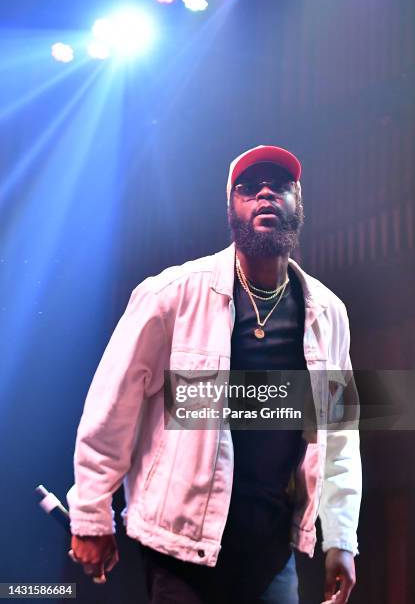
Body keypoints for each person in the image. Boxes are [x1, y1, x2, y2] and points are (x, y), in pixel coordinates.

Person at [67, 145, 362, 604]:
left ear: (297, 204)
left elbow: (340, 437)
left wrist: (340, 540)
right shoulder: (171, 295)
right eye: (249, 187)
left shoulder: (328, 315)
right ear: (231, 207)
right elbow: (112, 407)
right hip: (181, 552)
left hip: (270, 554)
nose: (265, 193)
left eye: (280, 185)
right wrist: (90, 515)